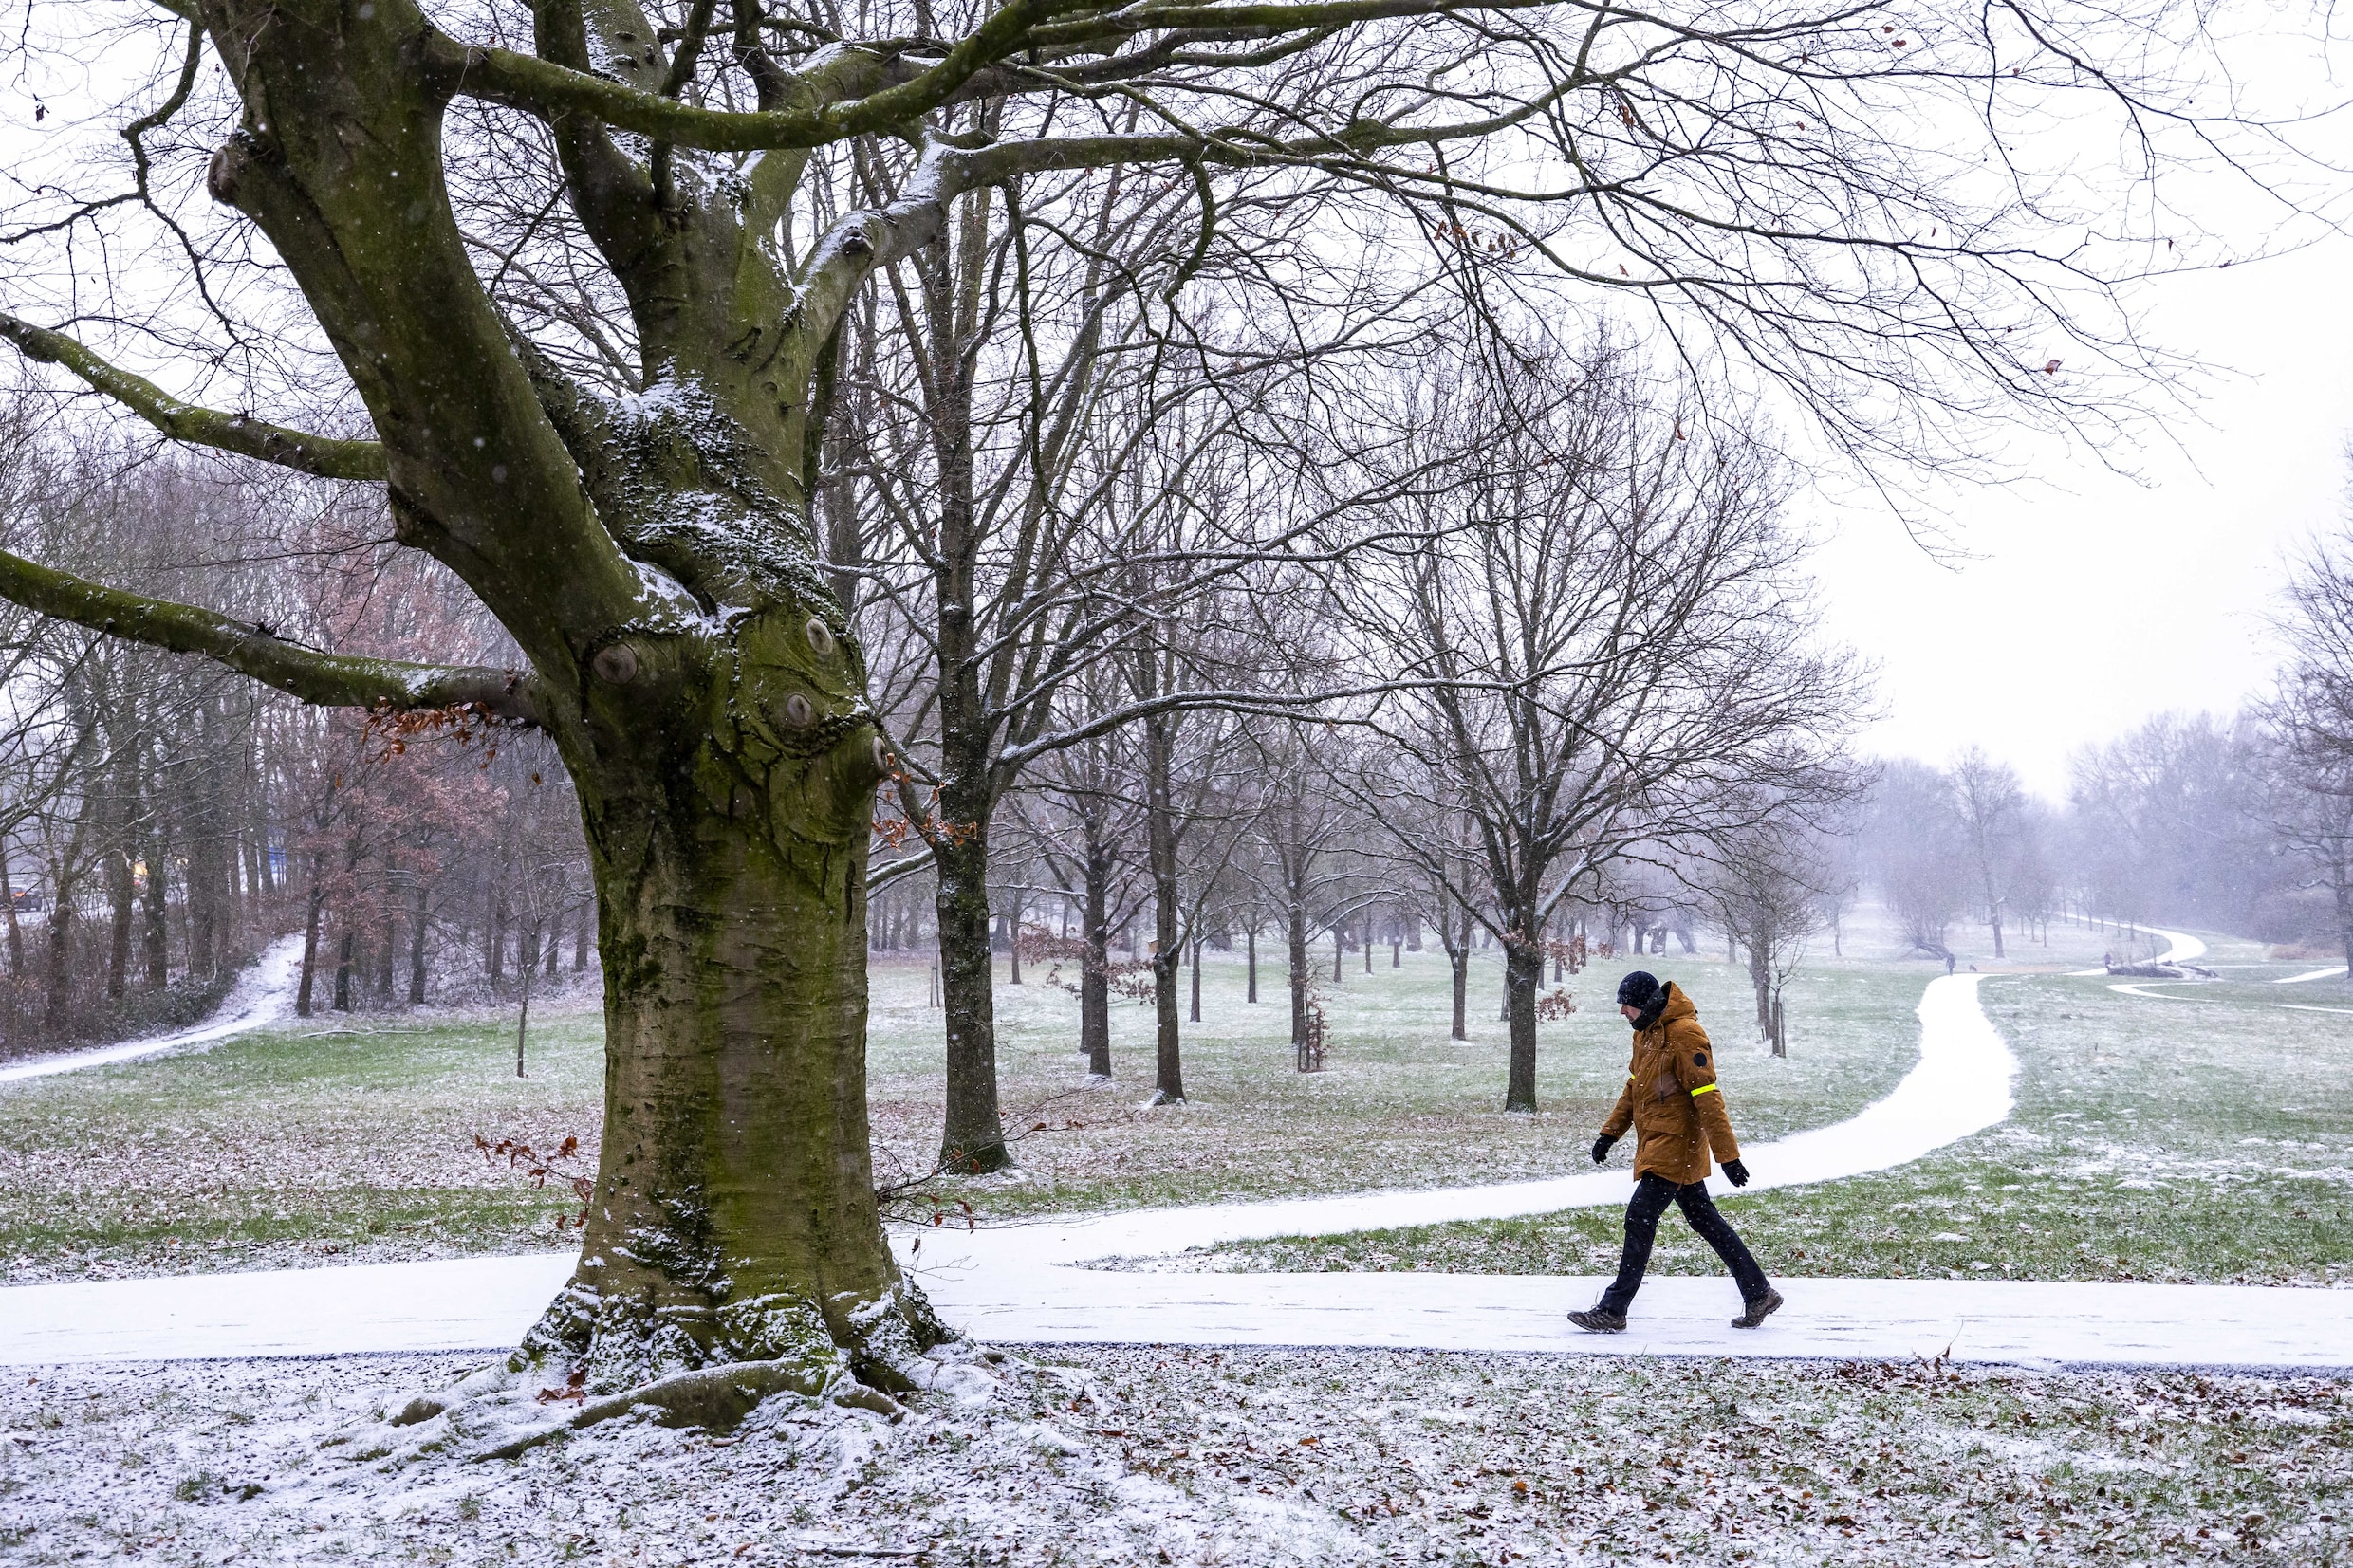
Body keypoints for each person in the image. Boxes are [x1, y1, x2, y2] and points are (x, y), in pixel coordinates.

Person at [1567, 970, 1783, 1333]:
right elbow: (1633, 1088)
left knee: (1639, 1217)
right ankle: (1759, 1292)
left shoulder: (1685, 1034)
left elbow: (1707, 1096)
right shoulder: (1647, 1036)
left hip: (1676, 1144)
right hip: (1658, 1142)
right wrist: (1609, 1134)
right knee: (1704, 1219)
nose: (1623, 1011)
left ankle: (1613, 1309)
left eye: (1627, 1004)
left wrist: (1727, 1156)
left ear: (1645, 1002)